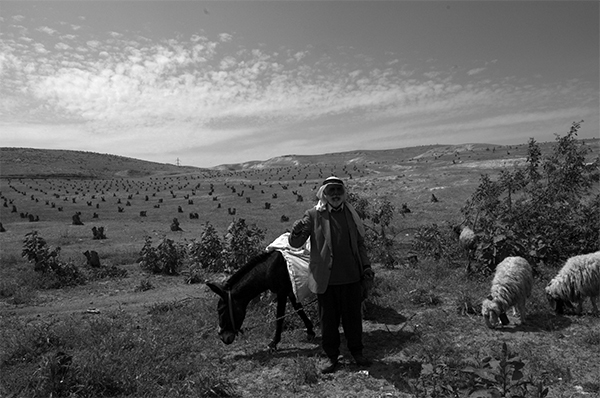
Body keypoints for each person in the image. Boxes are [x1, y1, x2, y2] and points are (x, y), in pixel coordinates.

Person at [289, 176, 374, 374]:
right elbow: (296, 243)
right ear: (324, 194)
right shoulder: (312, 215)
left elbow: (360, 245)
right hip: (325, 280)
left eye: (338, 190)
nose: (335, 194)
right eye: (331, 191)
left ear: (343, 193)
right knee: (328, 322)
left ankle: (357, 352)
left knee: (353, 319)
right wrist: (296, 232)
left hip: (352, 277)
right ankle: (331, 357)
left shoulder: (352, 215)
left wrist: (367, 267)